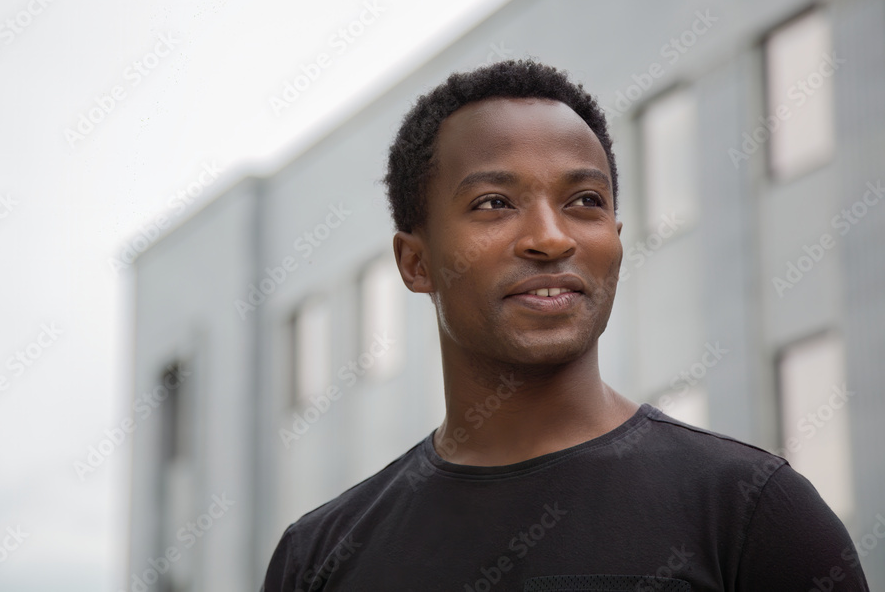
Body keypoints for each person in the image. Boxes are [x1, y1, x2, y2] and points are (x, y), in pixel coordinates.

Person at [261, 60, 870, 591]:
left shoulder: (751, 513)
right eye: (494, 203)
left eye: (584, 202)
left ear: (618, 241)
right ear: (415, 262)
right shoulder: (318, 559)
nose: (551, 238)